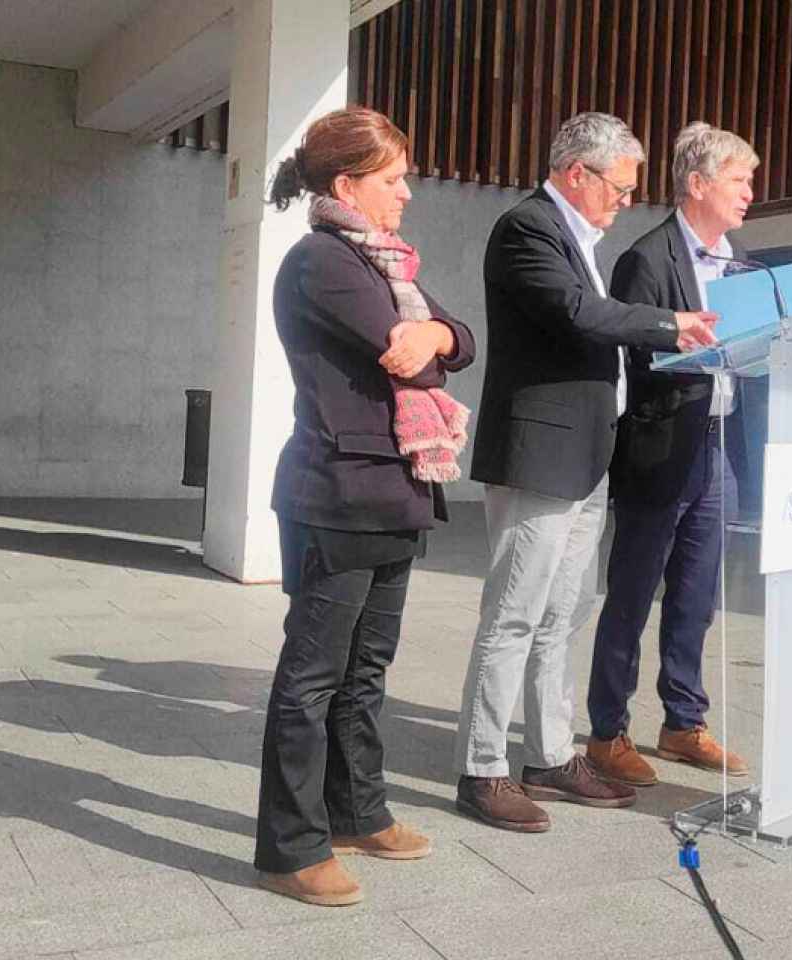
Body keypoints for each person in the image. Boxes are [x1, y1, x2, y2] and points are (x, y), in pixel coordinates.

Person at [452, 112, 719, 833]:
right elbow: (575, 313)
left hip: (583, 458)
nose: (626, 200)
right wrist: (671, 325)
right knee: (513, 615)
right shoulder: (528, 227)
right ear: (578, 173)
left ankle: (547, 754)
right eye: (620, 186)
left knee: (561, 617)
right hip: (539, 456)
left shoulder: (582, 238)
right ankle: (482, 768)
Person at [257, 106, 476, 907]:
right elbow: (405, 356)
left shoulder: (386, 264)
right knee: (313, 678)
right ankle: (289, 847)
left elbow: (456, 338)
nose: (407, 193)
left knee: (367, 671)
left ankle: (356, 811)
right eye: (393, 179)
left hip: (394, 492)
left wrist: (441, 340)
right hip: (340, 493)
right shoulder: (324, 262)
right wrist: (430, 348)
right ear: (348, 184)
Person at [586, 123, 760, 787]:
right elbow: (632, 352)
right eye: (739, 180)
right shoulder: (647, 258)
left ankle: (683, 723)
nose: (750, 193)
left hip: (717, 446)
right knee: (632, 593)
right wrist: (697, 354)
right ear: (698, 184)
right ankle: (608, 731)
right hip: (659, 446)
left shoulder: (742, 264)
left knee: (697, 594)